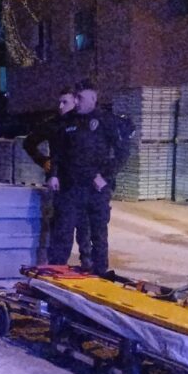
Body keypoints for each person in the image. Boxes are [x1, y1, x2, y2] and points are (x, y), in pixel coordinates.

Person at [34, 81, 131, 274]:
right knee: (62, 235)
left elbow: (123, 152)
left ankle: (100, 276)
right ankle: (56, 274)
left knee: (98, 236)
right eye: (75, 98)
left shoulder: (106, 121)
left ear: (93, 99)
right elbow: (58, 152)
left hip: (95, 189)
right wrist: (53, 175)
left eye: (81, 98)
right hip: (71, 188)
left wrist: (105, 176)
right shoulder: (68, 121)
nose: (76, 102)